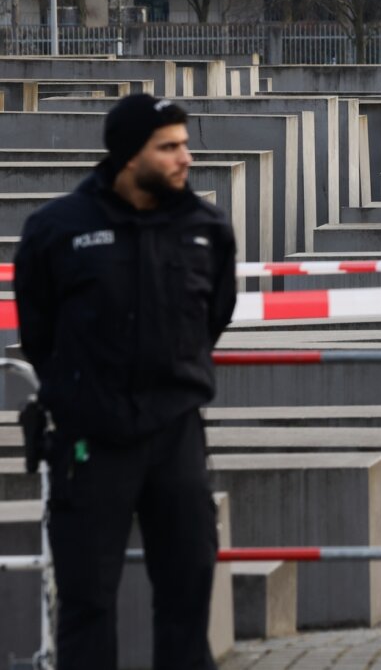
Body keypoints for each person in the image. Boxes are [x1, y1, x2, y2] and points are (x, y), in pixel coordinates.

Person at [14, 94, 237, 670]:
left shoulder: (206, 228)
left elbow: (213, 316)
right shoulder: (56, 230)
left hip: (176, 440)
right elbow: (39, 335)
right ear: (127, 156)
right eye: (168, 147)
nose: (185, 158)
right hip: (90, 444)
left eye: (185, 144)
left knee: (188, 597)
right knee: (87, 606)